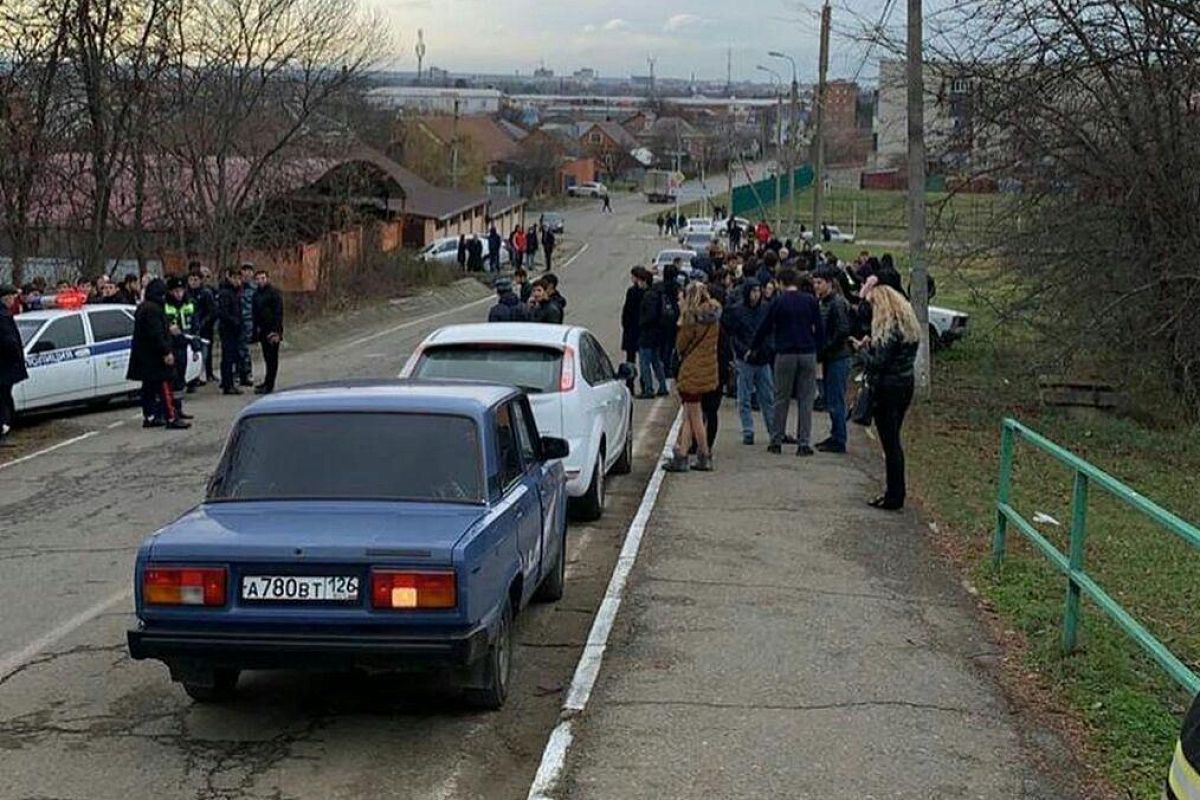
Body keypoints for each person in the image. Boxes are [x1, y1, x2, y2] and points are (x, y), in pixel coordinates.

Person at [854, 283, 920, 511]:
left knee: (890, 442)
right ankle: (894, 492)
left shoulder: (890, 328)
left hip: (888, 388)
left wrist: (862, 351)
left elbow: (878, 363)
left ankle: (894, 494)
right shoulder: (907, 327)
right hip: (904, 384)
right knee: (893, 440)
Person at [750, 268, 824, 456]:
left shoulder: (778, 302)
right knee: (805, 399)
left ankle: (776, 440)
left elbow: (765, 327)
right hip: (807, 352)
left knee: (781, 397)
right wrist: (818, 350)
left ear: (781, 283)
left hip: (785, 353)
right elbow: (820, 328)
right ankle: (803, 443)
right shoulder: (810, 301)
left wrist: (754, 347)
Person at [662, 282, 722, 473]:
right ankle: (682, 454)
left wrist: (681, 320)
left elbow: (681, 345)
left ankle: (704, 455)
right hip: (708, 368)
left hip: (691, 371)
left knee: (694, 415)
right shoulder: (713, 317)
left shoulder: (690, 318)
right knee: (689, 413)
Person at [128, 278, 189, 430]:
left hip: (145, 357)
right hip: (155, 357)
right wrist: (166, 351)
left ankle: (150, 416)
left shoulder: (144, 308)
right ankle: (171, 416)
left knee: (148, 387)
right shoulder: (153, 310)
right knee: (164, 385)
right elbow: (156, 334)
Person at [724, 278, 775, 445]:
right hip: (745, 358)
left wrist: (763, 350)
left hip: (762, 358)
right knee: (744, 397)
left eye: (758, 291)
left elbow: (769, 333)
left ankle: (773, 430)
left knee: (767, 397)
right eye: (753, 291)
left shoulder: (766, 309)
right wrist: (743, 351)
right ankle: (748, 430)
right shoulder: (737, 311)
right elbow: (733, 335)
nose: (756, 295)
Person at [814, 267, 853, 454]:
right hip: (831, 357)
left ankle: (839, 438)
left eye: (819, 283)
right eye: (815, 283)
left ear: (829, 284)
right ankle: (836, 433)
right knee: (831, 398)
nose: (816, 286)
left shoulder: (836, 303)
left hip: (838, 357)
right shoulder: (823, 302)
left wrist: (825, 348)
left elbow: (842, 331)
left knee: (836, 399)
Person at [162, 277, 195, 418]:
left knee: (181, 379)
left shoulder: (189, 303)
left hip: (184, 344)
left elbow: (194, 322)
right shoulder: (165, 305)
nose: (179, 294)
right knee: (172, 379)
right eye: (176, 291)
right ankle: (171, 409)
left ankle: (179, 408)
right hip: (171, 345)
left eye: (181, 291)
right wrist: (169, 328)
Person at [0, 284, 28, 448]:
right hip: (5, 367)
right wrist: (17, 356)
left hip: (5, 366)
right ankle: (4, 429)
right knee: (4, 399)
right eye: (12, 297)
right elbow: (9, 341)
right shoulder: (3, 316)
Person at [251, 269, 283, 394]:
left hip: (273, 330)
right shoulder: (256, 295)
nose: (260, 281)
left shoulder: (274, 293)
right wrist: (255, 331)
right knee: (266, 357)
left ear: (267, 278)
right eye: (258, 279)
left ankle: (270, 384)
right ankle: (266, 382)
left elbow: (278, 313)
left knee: (272, 359)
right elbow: (255, 314)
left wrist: (276, 331)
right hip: (262, 330)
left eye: (263, 278)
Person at [636, 274, 669, 398]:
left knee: (645, 363)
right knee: (656, 361)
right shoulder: (658, 294)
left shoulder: (649, 296)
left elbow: (650, 315)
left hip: (647, 334)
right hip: (657, 334)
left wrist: (641, 322)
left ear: (644, 282)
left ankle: (648, 389)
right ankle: (662, 386)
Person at [217, 267, 244, 395]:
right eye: (235, 278)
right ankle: (227, 384)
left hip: (234, 328)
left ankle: (228, 381)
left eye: (239, 278)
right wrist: (235, 321)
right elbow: (223, 313)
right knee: (228, 357)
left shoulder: (236, 292)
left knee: (232, 356)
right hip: (228, 329)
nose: (238, 281)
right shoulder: (225, 293)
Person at [187, 266, 216, 385]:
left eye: (196, 280)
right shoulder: (186, 294)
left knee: (205, 352)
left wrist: (204, 323)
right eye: (191, 279)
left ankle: (206, 373)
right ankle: (195, 376)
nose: (193, 282)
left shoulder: (206, 293)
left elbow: (212, 311)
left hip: (205, 328)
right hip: (190, 328)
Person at [621, 267, 649, 387]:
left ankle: (630, 383)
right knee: (645, 359)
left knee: (630, 358)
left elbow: (627, 311)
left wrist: (625, 325)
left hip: (632, 329)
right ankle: (645, 384)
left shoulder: (632, 292)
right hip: (643, 329)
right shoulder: (648, 292)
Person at [237, 263, 256, 387]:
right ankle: (238, 373)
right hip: (237, 321)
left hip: (249, 321)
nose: (247, 274)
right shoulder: (237, 288)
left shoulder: (255, 289)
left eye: (249, 271)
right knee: (237, 349)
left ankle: (246, 373)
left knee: (245, 348)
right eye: (245, 271)